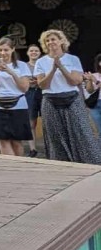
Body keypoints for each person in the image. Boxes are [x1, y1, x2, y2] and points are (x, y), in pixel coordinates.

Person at [34, 30, 101, 164]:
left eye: (53, 39)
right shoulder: (41, 62)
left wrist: (61, 67)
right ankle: (61, 164)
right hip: (50, 99)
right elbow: (42, 85)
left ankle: (89, 164)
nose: (50, 42)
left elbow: (75, 81)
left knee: (81, 132)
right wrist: (53, 69)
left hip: (72, 98)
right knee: (56, 136)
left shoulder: (72, 59)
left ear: (61, 41)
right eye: (47, 40)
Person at [0, 37, 33, 157]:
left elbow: (24, 88)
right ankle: (9, 164)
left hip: (18, 105)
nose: (3, 53)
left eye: (6, 50)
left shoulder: (21, 65)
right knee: (3, 140)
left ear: (12, 49)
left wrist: (11, 72)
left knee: (16, 140)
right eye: (0, 50)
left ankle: (18, 164)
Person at [24, 43, 44, 156]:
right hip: (29, 93)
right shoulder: (24, 66)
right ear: (28, 53)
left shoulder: (44, 64)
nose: (34, 53)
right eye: (31, 51)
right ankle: (33, 149)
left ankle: (50, 146)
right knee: (31, 122)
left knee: (47, 121)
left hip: (43, 92)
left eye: (36, 51)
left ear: (40, 53)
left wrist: (39, 81)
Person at [88, 54, 101, 139]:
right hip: (95, 105)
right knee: (99, 130)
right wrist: (89, 80)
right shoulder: (94, 75)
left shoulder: (94, 77)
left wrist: (95, 80)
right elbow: (89, 90)